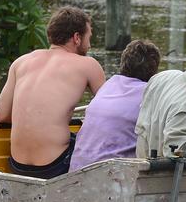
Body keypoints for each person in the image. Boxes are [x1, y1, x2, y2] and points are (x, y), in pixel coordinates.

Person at [0, 6, 105, 179]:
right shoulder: (88, 65)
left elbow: (1, 115)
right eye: (89, 36)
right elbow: (109, 113)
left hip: (17, 165)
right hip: (55, 166)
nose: (89, 44)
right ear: (77, 37)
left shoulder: (21, 62)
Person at [68, 39, 162, 172]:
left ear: (123, 63)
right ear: (154, 70)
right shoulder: (149, 93)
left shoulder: (109, 84)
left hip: (75, 170)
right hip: (109, 176)